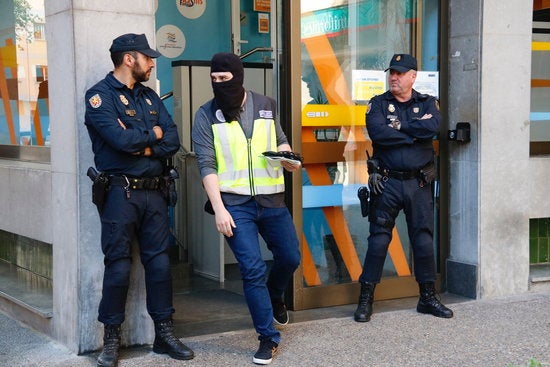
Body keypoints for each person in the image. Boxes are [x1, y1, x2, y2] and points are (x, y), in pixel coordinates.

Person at [84, 33, 194, 367]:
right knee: (118, 266)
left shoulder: (149, 97)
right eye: (147, 58)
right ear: (129, 58)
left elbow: (172, 138)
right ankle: (111, 339)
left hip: (156, 192)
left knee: (160, 265)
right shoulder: (99, 97)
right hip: (121, 193)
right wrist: (151, 137)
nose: (151, 63)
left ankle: (164, 333)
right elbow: (118, 140)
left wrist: (144, 142)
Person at [191, 52, 301, 365]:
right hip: (235, 204)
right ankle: (268, 338)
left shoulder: (265, 104)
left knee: (290, 257)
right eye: (213, 79)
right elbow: (206, 164)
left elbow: (280, 140)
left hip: (272, 199)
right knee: (251, 268)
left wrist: (288, 158)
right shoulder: (206, 115)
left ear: (238, 77)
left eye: (224, 79)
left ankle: (275, 294)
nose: (218, 84)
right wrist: (219, 209)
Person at [354, 53, 453, 323]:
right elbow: (379, 133)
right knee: (378, 241)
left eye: (400, 73)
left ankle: (428, 298)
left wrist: (399, 127)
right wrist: (413, 132)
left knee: (423, 240)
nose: (394, 77)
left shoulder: (428, 102)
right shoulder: (377, 104)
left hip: (418, 183)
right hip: (387, 183)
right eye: (391, 73)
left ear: (413, 76)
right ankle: (365, 298)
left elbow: (432, 127)